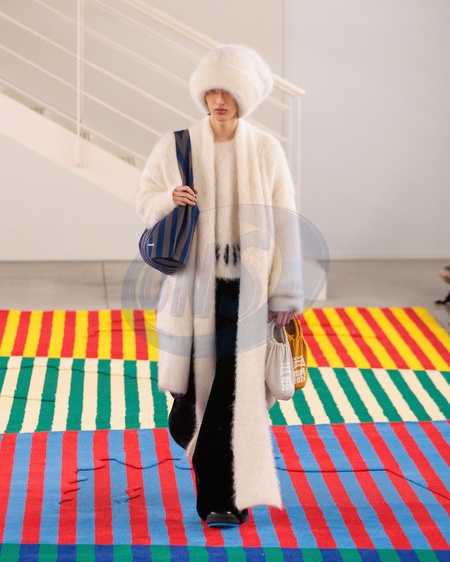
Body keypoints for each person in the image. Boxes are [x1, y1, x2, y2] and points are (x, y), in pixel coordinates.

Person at [136, 44, 304, 527]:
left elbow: (286, 221)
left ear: (243, 97)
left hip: (245, 293)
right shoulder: (177, 146)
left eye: (228, 91)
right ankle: (187, 418)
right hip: (193, 289)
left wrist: (286, 292)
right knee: (192, 400)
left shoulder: (266, 149)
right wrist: (168, 198)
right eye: (211, 90)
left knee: (233, 396)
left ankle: (222, 500)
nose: (218, 100)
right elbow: (144, 199)